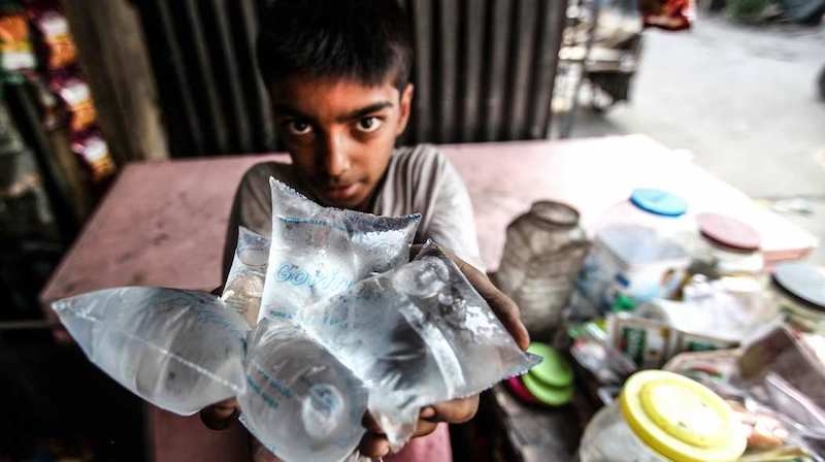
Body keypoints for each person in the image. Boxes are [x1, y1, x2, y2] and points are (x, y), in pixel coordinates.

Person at [200, 1, 529, 460]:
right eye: (300, 125)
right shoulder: (264, 189)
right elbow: (254, 334)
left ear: (404, 109)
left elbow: (451, 315)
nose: (334, 163)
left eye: (366, 122)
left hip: (409, 418)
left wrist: (454, 338)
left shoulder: (426, 175)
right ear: (276, 116)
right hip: (298, 418)